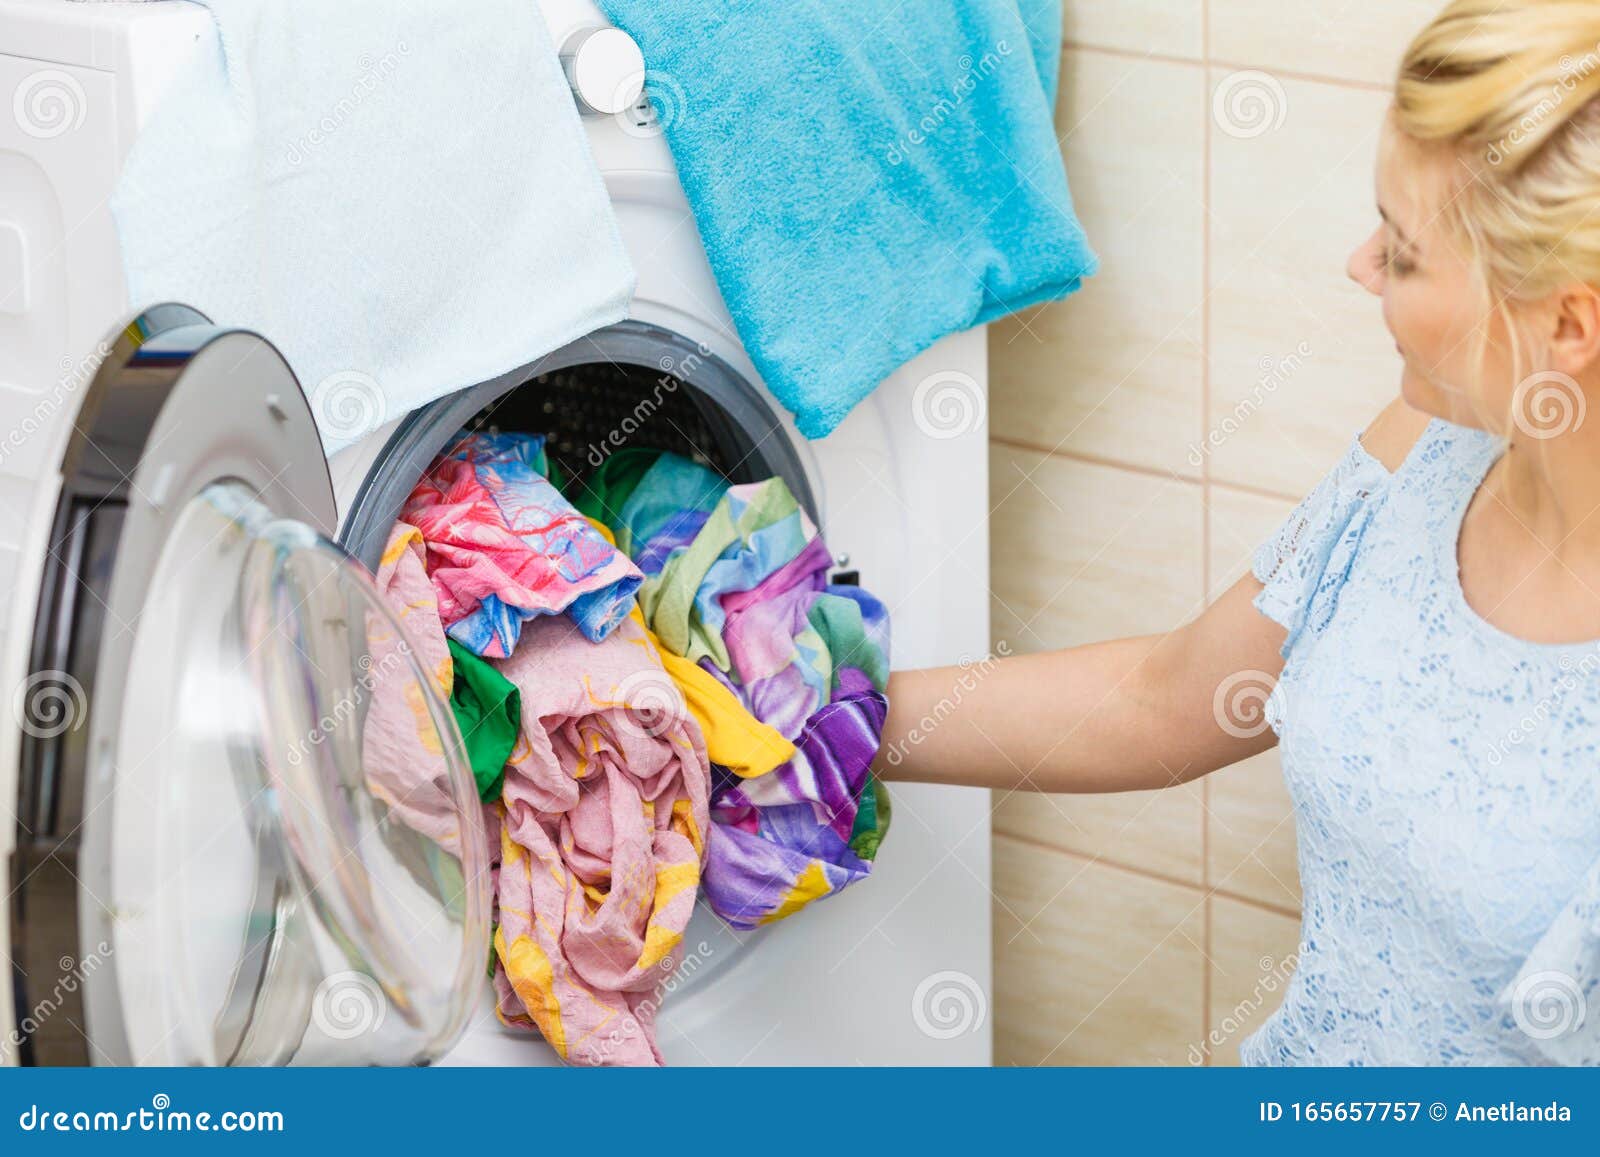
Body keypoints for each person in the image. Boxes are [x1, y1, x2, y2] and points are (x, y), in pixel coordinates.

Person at [877, 0, 1600, 1065]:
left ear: (1566, 324)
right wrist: (826, 719)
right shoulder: (1430, 444)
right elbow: (1165, 698)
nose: (1360, 266)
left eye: (1401, 254)